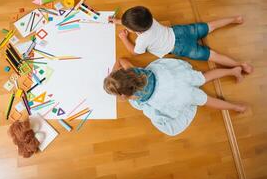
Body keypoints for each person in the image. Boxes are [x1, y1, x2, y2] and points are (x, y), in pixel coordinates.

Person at [103, 58, 247, 136]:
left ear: (123, 94)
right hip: (172, 77)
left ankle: (236, 106)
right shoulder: (132, 70)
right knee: (202, 77)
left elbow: (125, 99)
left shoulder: (132, 96)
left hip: (172, 95)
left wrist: (121, 96)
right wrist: (115, 72)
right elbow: (121, 59)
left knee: (205, 100)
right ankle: (233, 71)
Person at [109, 6, 253, 74]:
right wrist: (117, 21)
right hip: (180, 31)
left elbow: (134, 53)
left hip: (180, 48)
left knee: (212, 56)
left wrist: (124, 38)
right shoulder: (150, 20)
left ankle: (240, 64)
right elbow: (135, 23)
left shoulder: (142, 41)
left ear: (137, 31)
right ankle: (236, 19)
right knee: (210, 26)